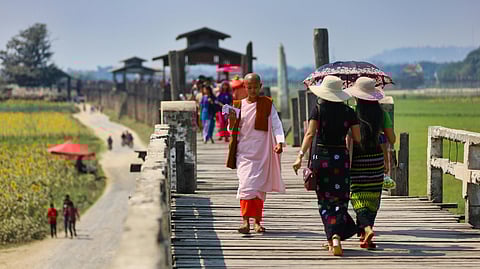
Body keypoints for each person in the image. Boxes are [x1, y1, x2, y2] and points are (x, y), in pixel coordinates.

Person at [292, 75, 361, 256]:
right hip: (341, 158)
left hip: (321, 159)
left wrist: (299, 156)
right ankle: (335, 236)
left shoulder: (318, 109)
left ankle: (332, 238)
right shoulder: (349, 112)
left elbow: (309, 134)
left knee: (324, 200)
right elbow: (357, 137)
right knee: (340, 199)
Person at [226, 73, 285, 234]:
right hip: (244, 152)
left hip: (262, 152)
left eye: (255, 87)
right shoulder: (238, 105)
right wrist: (231, 121)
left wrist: (280, 142)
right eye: (249, 87)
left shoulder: (267, 104)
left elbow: (276, 125)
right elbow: (232, 130)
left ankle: (257, 222)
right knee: (245, 186)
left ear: (260, 86)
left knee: (258, 189)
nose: (252, 90)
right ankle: (245, 221)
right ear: (245, 87)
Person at [345, 77, 396, 249]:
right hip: (376, 161)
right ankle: (366, 236)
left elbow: (349, 138)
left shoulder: (352, 113)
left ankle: (366, 229)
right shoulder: (382, 114)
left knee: (357, 196)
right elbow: (392, 139)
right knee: (374, 198)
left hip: (357, 161)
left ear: (357, 97)